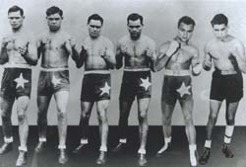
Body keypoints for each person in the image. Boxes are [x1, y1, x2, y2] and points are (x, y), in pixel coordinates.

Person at [199, 14, 246, 165]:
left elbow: (245, 69)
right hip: (218, 80)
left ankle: (226, 145)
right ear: (213, 29)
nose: (220, 33)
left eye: (222, 29)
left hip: (234, 80)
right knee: (212, 116)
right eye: (216, 30)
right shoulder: (209, 45)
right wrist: (206, 64)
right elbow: (206, 67)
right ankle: (206, 148)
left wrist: (238, 59)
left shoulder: (237, 44)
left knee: (230, 117)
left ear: (228, 27)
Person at [34, 6, 79, 164]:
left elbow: (79, 62)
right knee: (41, 112)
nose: (53, 22)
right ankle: (42, 138)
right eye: (51, 19)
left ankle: (62, 147)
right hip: (44, 74)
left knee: (61, 111)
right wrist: (39, 46)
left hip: (61, 75)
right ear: (46, 19)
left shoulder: (67, 37)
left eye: (56, 19)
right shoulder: (41, 37)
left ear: (61, 19)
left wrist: (73, 48)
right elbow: (35, 59)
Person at [155, 16, 202, 167]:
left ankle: (192, 150)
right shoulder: (165, 45)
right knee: (166, 118)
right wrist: (170, 51)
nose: (185, 34)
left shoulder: (193, 50)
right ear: (178, 29)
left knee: (188, 118)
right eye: (182, 30)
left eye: (189, 31)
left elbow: (195, 71)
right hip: (168, 83)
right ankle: (167, 143)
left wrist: (197, 69)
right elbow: (156, 67)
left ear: (192, 32)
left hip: (185, 84)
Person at [112, 13, 156, 166]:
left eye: (137, 26)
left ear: (142, 26)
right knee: (123, 114)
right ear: (128, 26)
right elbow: (117, 66)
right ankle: (122, 141)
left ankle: (142, 150)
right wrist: (119, 54)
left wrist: (152, 58)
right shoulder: (122, 41)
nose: (134, 29)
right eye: (131, 26)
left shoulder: (150, 42)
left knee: (142, 114)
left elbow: (155, 68)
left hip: (144, 77)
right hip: (128, 76)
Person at [72, 14, 115, 165]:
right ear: (88, 25)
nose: (95, 29)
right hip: (88, 78)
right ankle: (84, 142)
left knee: (101, 114)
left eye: (98, 27)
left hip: (103, 79)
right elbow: (78, 63)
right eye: (92, 26)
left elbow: (114, 64)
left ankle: (103, 150)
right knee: (84, 115)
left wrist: (106, 57)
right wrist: (75, 50)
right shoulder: (84, 41)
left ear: (101, 27)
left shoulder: (107, 42)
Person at [0, 5, 37, 166]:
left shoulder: (29, 36)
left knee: (21, 114)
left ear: (22, 18)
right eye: (11, 17)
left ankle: (23, 151)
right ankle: (8, 141)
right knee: (4, 113)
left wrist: (25, 53)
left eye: (17, 17)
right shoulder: (5, 36)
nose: (14, 20)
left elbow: (34, 60)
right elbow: (1, 60)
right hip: (8, 74)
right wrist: (2, 47)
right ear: (8, 18)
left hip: (23, 74)